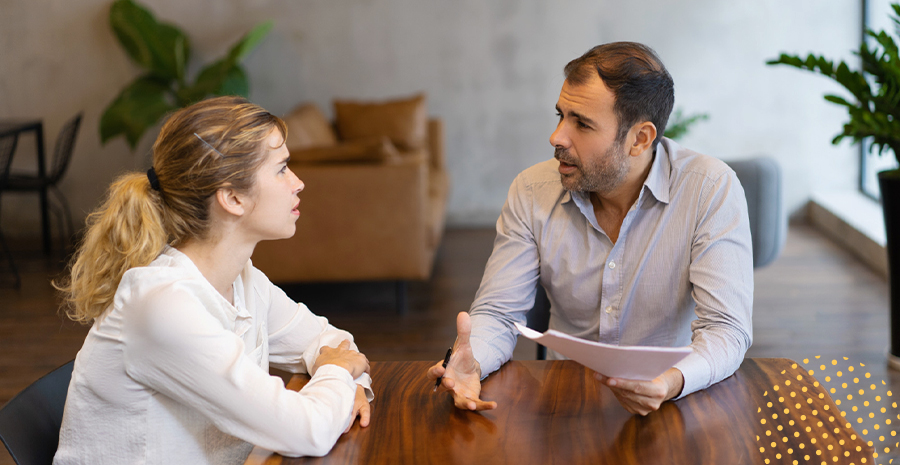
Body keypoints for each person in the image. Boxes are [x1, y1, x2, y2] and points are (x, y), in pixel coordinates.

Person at [427, 42, 753, 416]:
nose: (557, 137)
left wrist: (671, 382)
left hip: (673, 398)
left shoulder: (709, 189)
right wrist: (474, 361)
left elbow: (726, 329)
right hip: (563, 400)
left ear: (639, 139)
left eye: (582, 123)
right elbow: (499, 313)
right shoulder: (532, 190)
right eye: (560, 115)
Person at [53, 96, 373, 464]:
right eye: (282, 169)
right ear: (232, 197)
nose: (298, 183)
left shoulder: (245, 281)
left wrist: (350, 384)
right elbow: (309, 431)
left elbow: (333, 342)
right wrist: (337, 376)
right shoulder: (161, 306)